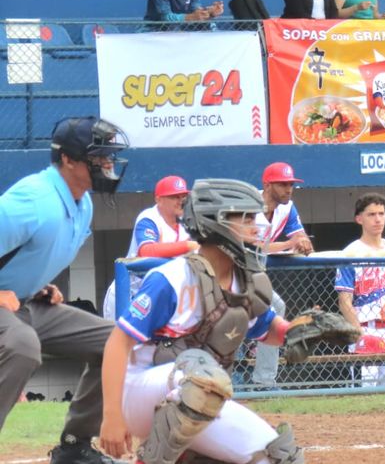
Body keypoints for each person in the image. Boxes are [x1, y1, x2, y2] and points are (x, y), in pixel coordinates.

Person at [98, 178, 305, 464]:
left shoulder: (244, 282)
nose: (256, 228)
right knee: (200, 376)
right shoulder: (172, 278)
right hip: (139, 392)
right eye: (246, 219)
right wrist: (112, 416)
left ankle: (189, 454)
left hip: (198, 395)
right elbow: (117, 344)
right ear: (215, 223)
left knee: (278, 456)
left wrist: (300, 332)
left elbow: (267, 329)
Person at [0, 117, 129, 463]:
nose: (107, 164)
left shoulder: (82, 203)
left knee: (115, 340)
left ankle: (74, 447)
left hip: (23, 303)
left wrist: (33, 284)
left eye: (108, 156)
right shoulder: (33, 199)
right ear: (68, 159)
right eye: (98, 157)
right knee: (22, 346)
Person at [335, 192, 385, 386]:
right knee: (364, 390)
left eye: (381, 213)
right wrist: (359, 334)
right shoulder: (350, 253)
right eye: (371, 214)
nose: (378, 219)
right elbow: (344, 301)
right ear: (359, 219)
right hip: (364, 327)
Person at [249, 162, 314, 388]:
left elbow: (300, 236)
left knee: (275, 308)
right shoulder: (249, 204)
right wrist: (288, 243)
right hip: (229, 272)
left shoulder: (287, 208)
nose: (289, 189)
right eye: (282, 184)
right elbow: (253, 244)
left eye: (291, 184)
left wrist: (302, 242)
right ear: (267, 185)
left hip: (252, 274)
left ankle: (264, 381)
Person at [102, 175, 197, 321]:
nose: (180, 201)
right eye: (174, 197)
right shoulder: (150, 218)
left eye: (183, 196)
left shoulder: (187, 224)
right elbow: (146, 251)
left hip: (156, 296)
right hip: (129, 294)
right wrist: (187, 246)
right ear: (158, 199)